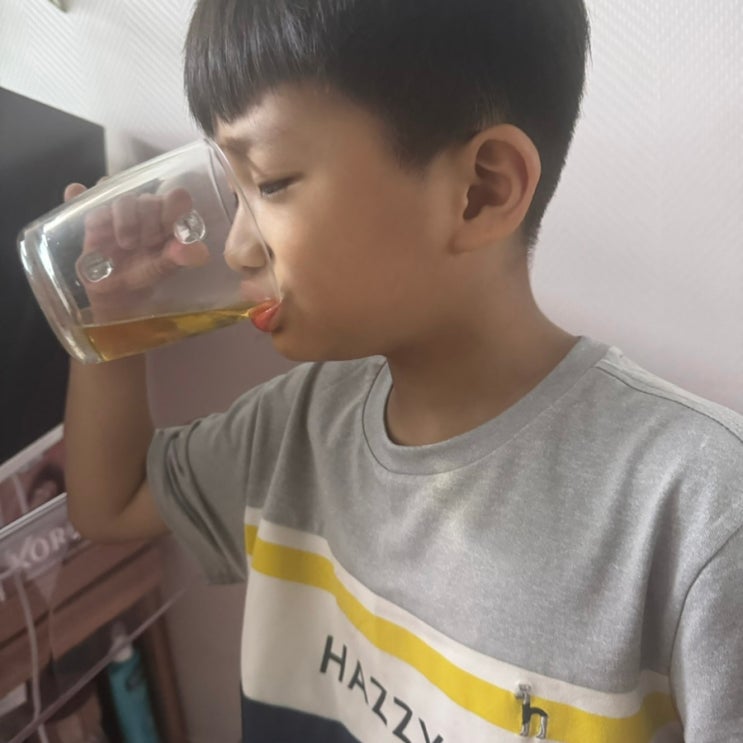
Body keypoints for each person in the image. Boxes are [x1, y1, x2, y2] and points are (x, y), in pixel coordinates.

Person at [63, 1, 743, 741]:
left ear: (481, 191)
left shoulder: (698, 508)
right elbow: (109, 504)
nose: (237, 249)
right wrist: (113, 313)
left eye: (271, 182)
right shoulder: (294, 427)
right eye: (233, 191)